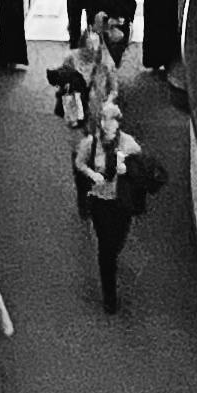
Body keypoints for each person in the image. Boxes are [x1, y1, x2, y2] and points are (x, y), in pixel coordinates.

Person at [73, 105, 149, 314]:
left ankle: (110, 262)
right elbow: (79, 163)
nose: (109, 125)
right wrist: (91, 173)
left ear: (118, 122)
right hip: (100, 201)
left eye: (113, 120)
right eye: (104, 120)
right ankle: (110, 296)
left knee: (117, 242)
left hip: (122, 202)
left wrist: (128, 170)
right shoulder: (91, 143)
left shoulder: (129, 144)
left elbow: (143, 169)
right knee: (106, 248)